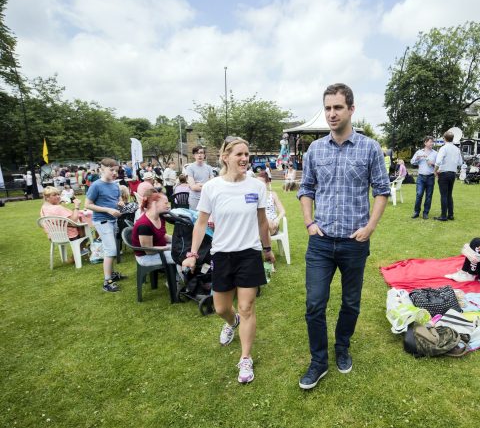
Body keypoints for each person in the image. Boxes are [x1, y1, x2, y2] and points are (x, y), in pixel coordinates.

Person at [297, 83, 390, 390]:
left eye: (338, 107)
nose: (332, 113)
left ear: (351, 109)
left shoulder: (370, 148)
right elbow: (306, 188)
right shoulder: (315, 149)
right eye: (327, 108)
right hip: (321, 242)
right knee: (314, 303)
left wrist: (370, 227)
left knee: (350, 302)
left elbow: (381, 191)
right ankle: (319, 361)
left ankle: (342, 347)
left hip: (354, 242)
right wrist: (309, 223)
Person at [182, 136, 275, 384]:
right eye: (239, 154)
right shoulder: (212, 187)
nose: (244, 159)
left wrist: (267, 248)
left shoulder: (257, 186)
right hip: (222, 254)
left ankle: (245, 358)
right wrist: (192, 254)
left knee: (247, 307)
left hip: (249, 253)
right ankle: (231, 322)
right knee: (221, 308)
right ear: (225, 157)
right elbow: (201, 223)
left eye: (247, 154)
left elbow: (262, 221)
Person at [85, 158, 127, 292]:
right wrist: (108, 210)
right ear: (102, 169)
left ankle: (112, 274)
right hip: (102, 221)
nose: (115, 173)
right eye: (111, 170)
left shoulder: (115, 185)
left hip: (113, 221)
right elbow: (88, 205)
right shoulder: (96, 185)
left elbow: (117, 198)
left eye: (117, 170)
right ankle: (107, 281)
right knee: (111, 250)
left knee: (112, 248)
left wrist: (120, 203)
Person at [132, 192, 174, 266]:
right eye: (165, 203)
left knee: (184, 248)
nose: (168, 206)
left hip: (159, 250)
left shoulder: (160, 217)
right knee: (181, 254)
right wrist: (169, 248)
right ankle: (179, 276)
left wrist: (176, 240)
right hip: (146, 257)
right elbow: (149, 251)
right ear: (155, 203)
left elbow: (162, 236)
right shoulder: (144, 225)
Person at [434, 131, 463, 221]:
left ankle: (443, 215)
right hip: (452, 173)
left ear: (444, 138)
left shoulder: (443, 148)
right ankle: (450, 214)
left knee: (443, 195)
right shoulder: (457, 149)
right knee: (449, 194)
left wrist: (435, 171)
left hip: (444, 173)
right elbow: (460, 162)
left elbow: (438, 161)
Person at [410, 136, 437, 219]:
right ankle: (416, 212)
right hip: (421, 177)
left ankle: (425, 213)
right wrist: (418, 158)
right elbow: (412, 162)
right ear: (425, 143)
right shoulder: (419, 152)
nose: (431, 143)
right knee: (419, 194)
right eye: (430, 142)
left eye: (432, 142)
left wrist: (432, 163)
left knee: (429, 196)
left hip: (431, 177)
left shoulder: (435, 153)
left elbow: (439, 165)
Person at [186, 145, 216, 210]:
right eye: (197, 153)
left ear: (204, 155)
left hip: (207, 198)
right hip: (195, 199)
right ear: (194, 155)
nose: (199, 155)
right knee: (195, 218)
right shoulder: (190, 168)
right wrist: (206, 185)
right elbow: (193, 187)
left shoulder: (209, 168)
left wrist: (200, 184)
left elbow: (213, 185)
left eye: (201, 153)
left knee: (207, 219)